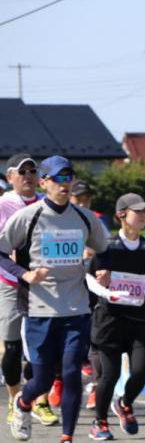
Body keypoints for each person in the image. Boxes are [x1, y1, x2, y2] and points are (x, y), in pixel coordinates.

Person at [0, 156, 109, 443]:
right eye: (58, 178)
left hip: (76, 307)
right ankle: (24, 402)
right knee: (43, 379)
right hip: (39, 309)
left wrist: (103, 270)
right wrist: (25, 275)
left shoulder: (85, 217)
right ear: (44, 182)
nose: (64, 184)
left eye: (68, 177)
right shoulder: (28, 216)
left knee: (72, 372)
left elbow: (104, 250)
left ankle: (67, 442)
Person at [86, 193, 145, 441]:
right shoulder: (107, 246)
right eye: (138, 211)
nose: (143, 216)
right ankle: (99, 422)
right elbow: (89, 277)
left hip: (137, 319)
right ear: (122, 215)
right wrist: (107, 292)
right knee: (110, 374)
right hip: (109, 319)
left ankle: (124, 403)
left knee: (141, 371)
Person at [0, 153, 57, 427]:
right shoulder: (3, 205)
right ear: (10, 177)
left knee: (42, 346)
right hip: (10, 282)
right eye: (22, 172)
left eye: (33, 171)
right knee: (12, 346)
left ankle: (39, 400)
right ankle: (14, 399)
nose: (28, 176)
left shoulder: (47, 203)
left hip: (43, 284)